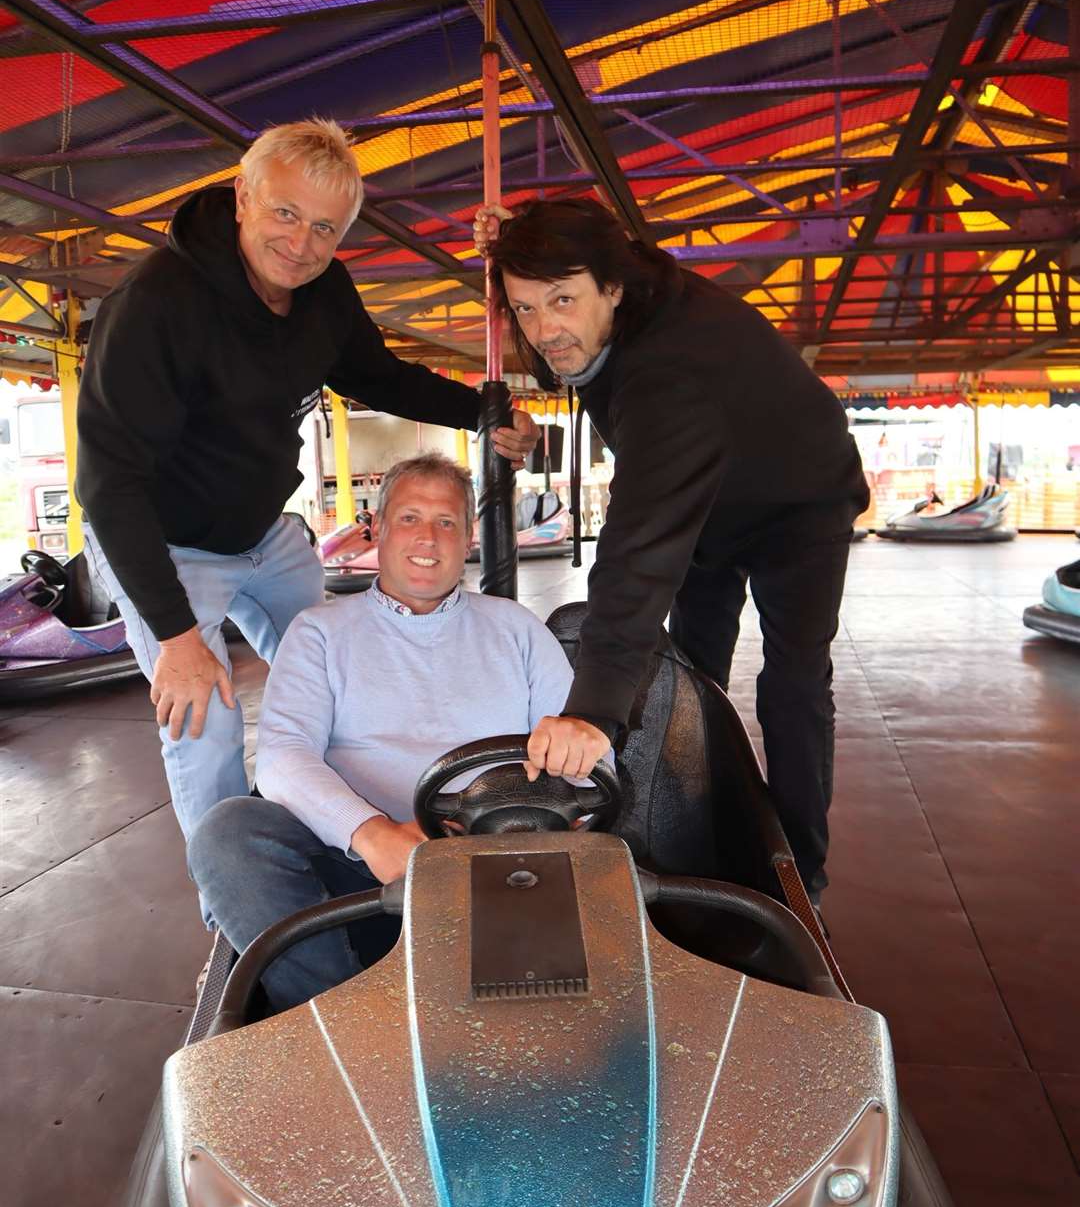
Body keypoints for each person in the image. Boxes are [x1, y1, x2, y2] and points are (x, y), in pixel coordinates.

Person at [76, 118, 538, 879]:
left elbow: (378, 375)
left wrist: (487, 417)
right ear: (242, 198)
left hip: (265, 534)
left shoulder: (324, 292)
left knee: (350, 663)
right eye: (285, 214)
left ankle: (359, 840)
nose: (302, 243)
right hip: (163, 543)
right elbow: (108, 480)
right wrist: (177, 638)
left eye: (325, 227)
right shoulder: (159, 303)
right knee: (204, 714)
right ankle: (235, 908)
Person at [476, 197, 869, 902]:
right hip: (709, 501)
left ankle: (800, 875)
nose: (546, 329)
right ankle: (692, 826)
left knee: (794, 683)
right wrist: (510, 244)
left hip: (800, 500)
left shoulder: (669, 376)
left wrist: (593, 710)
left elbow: (636, 557)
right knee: (692, 676)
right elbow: (584, 281)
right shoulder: (625, 286)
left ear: (612, 288)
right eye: (526, 308)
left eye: (561, 300)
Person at [187, 453, 579, 1010]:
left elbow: (581, 747)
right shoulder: (321, 631)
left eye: (446, 522)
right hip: (359, 867)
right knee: (227, 832)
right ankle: (342, 1016)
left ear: (468, 536)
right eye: (410, 518)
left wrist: (577, 748)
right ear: (378, 528)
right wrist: (373, 834)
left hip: (497, 859)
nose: (429, 537)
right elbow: (282, 757)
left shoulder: (516, 628)